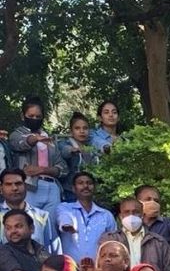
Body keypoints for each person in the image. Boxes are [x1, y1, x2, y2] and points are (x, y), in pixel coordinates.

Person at [8, 97, 66, 226]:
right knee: (30, 227)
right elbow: (20, 144)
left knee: (51, 229)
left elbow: (62, 167)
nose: (34, 119)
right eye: (31, 116)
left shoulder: (48, 138)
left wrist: (43, 170)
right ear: (23, 116)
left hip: (52, 187)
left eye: (38, 116)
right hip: (29, 187)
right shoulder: (16, 134)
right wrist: (34, 139)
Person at [56, 172, 115, 262]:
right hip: (70, 270)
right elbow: (64, 218)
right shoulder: (65, 208)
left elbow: (113, 242)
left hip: (98, 270)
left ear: (94, 188)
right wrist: (67, 225)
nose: (85, 186)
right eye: (80, 183)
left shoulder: (106, 215)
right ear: (73, 189)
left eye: (89, 183)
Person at [0, 168, 55, 250]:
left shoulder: (42, 216)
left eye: (18, 183)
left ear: (25, 186)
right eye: (8, 184)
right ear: (1, 189)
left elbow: (52, 250)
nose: (14, 188)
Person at [57, 113, 100, 200]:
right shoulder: (65, 143)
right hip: (70, 191)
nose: (82, 131)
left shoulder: (92, 148)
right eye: (77, 128)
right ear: (71, 131)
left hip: (89, 192)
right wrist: (72, 150)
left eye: (85, 128)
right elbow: (64, 151)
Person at [134, 185, 170, 251]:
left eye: (156, 201)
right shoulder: (131, 224)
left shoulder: (167, 223)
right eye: (148, 199)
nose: (153, 202)